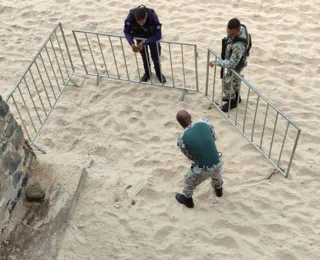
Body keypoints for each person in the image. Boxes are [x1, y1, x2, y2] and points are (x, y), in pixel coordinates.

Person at [175, 110, 223, 208]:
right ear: (190, 116)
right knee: (216, 175)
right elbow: (214, 137)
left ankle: (188, 200)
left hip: (203, 169)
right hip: (217, 160)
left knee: (188, 181)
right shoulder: (204, 122)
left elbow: (189, 156)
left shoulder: (181, 138)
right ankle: (219, 190)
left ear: (180, 123)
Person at [209, 18, 251, 112]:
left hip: (236, 65)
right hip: (235, 60)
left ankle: (232, 101)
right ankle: (237, 98)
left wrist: (216, 62)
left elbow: (232, 64)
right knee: (235, 80)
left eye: (231, 34)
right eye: (227, 31)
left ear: (237, 30)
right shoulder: (241, 28)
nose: (229, 35)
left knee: (227, 83)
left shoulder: (239, 45)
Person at [124, 5, 166, 83]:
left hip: (152, 38)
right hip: (139, 37)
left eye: (142, 21)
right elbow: (126, 31)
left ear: (146, 16)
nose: (141, 24)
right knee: (144, 56)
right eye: (138, 22)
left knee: (155, 57)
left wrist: (145, 42)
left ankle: (158, 73)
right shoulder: (131, 16)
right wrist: (132, 43)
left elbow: (158, 35)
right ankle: (147, 73)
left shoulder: (152, 16)